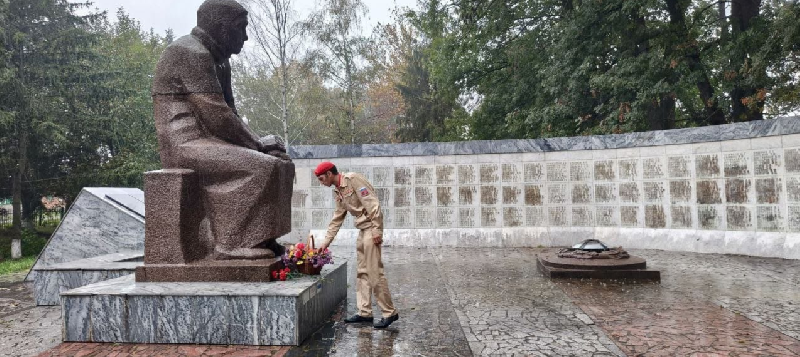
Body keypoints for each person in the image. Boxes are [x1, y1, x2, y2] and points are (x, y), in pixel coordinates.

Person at [151, 0, 293, 260]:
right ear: (221, 28)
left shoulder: (221, 62)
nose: (246, 37)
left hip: (209, 141)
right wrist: (258, 145)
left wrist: (260, 144)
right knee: (262, 166)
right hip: (184, 146)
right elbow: (216, 116)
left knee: (281, 163)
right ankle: (230, 243)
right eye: (241, 28)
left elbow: (230, 113)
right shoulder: (191, 53)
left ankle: (261, 237)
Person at [315, 161, 399, 329]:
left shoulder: (353, 180)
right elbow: (337, 217)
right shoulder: (338, 191)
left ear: (330, 174)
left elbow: (372, 204)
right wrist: (325, 242)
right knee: (362, 273)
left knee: (375, 272)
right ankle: (364, 313)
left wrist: (377, 230)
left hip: (370, 230)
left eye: (322, 178)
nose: (321, 182)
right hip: (362, 231)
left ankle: (389, 312)